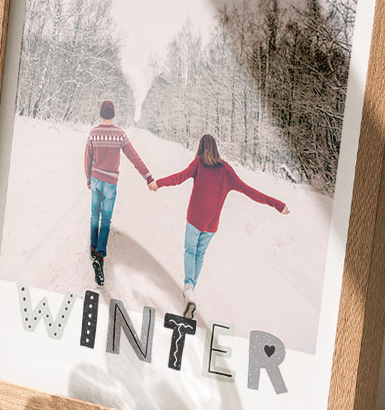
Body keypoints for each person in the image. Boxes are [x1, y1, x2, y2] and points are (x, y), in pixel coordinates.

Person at [154, 133, 289, 317]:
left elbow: (179, 177)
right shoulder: (226, 169)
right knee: (199, 255)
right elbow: (250, 191)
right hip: (211, 224)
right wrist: (278, 204)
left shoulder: (198, 163)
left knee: (190, 251)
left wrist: (158, 183)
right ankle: (190, 293)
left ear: (201, 147)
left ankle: (189, 289)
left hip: (194, 219)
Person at [84, 100, 157, 286]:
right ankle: (100, 255)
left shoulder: (93, 133)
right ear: (113, 114)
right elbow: (134, 157)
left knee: (94, 214)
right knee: (106, 219)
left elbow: (87, 159)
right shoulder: (119, 134)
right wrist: (148, 177)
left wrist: (88, 179)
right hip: (110, 183)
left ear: (101, 113)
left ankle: (93, 248)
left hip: (96, 179)